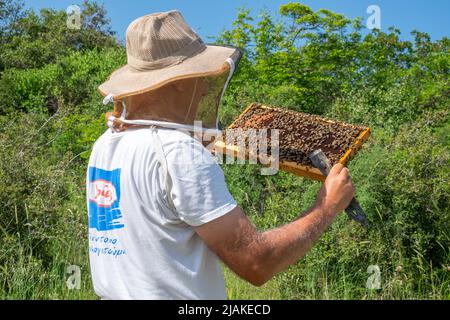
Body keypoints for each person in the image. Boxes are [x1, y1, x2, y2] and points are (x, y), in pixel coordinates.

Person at [87, 10, 355, 300]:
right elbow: (257, 262)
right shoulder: (178, 154)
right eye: (198, 75)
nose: (203, 88)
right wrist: (327, 207)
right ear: (177, 80)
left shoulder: (105, 143)